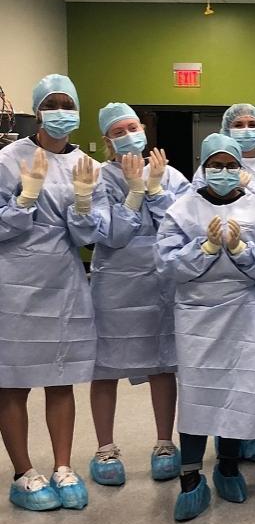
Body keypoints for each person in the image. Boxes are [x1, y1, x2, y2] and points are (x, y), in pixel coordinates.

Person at [155, 133, 255, 521]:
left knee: (238, 390)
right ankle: (190, 476)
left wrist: (245, 251)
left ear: (241, 168)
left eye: (231, 165)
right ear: (203, 167)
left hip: (245, 311)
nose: (224, 172)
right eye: (216, 164)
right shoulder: (182, 209)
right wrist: (206, 249)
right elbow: (166, 264)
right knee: (199, 393)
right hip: (198, 315)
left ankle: (228, 465)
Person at [0, 74, 108, 511]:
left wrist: (83, 203)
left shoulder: (88, 166)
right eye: (54, 103)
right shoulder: (9, 158)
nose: (62, 111)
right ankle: (24, 472)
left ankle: (63, 466)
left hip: (63, 280)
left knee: (61, 378)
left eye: (69, 103)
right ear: (39, 109)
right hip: (15, 281)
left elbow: (88, 234)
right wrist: (25, 199)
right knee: (13, 382)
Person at [88, 102, 191, 487]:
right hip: (115, 283)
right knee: (107, 365)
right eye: (118, 131)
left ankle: (165, 443)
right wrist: (133, 195)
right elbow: (110, 235)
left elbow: (182, 227)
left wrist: (157, 189)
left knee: (162, 364)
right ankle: (105, 448)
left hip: (160, 282)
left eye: (132, 127)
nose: (128, 135)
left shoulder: (170, 174)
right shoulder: (97, 178)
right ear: (107, 140)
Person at [193, 103, 255, 463]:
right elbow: (191, 216)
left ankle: (251, 432)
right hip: (210, 295)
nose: (246, 129)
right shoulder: (200, 181)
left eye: (252, 124)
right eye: (239, 124)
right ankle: (222, 439)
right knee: (218, 372)